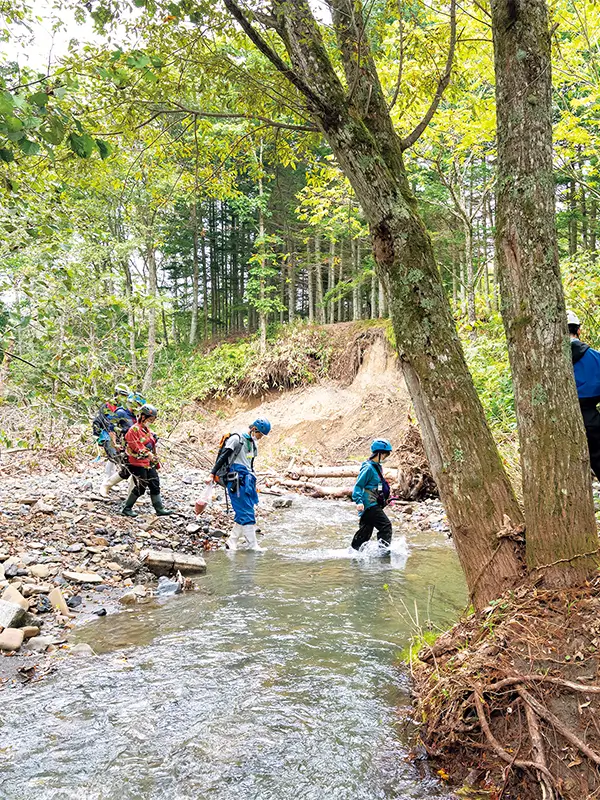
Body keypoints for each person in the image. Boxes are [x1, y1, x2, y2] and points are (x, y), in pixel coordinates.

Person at [208, 418, 271, 551]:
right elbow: (223, 457)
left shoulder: (253, 444)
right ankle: (252, 545)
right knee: (246, 511)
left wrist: (254, 482)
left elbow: (250, 465)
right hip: (235, 479)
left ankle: (232, 541)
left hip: (248, 479)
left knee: (245, 510)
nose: (260, 438)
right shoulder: (237, 439)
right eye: (260, 434)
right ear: (254, 429)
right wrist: (212, 474)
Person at [121, 403, 173, 517]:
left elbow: (149, 440)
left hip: (148, 462)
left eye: (153, 420)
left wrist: (154, 439)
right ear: (143, 417)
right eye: (150, 419)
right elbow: (136, 446)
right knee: (141, 486)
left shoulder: (146, 429)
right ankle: (126, 508)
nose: (152, 422)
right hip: (136, 462)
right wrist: (148, 453)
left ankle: (159, 509)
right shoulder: (133, 430)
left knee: (155, 482)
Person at [568, 310, 600, 481]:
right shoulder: (596, 358)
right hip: (591, 418)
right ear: (578, 330)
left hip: (556, 420)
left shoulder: (545, 360)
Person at [100, 391, 146, 497]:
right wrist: (114, 443)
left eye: (139, 405)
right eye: (136, 404)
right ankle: (106, 485)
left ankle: (131, 496)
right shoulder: (121, 412)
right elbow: (111, 428)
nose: (137, 407)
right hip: (123, 446)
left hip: (135, 447)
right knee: (130, 471)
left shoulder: (138, 417)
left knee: (134, 471)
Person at [350, 438, 393, 552]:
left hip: (374, 503)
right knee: (386, 526)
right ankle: (383, 553)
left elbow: (378, 484)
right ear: (378, 453)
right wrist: (358, 501)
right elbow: (358, 486)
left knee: (365, 533)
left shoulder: (377, 467)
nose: (385, 457)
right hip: (368, 504)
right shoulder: (368, 468)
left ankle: (354, 553)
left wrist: (383, 497)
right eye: (384, 455)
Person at [93, 383, 130, 488]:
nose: (123, 397)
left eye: (125, 396)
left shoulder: (123, 409)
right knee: (114, 456)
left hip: (117, 436)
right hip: (105, 435)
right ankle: (107, 481)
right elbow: (97, 420)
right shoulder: (107, 406)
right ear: (116, 394)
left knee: (114, 457)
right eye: (122, 395)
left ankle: (109, 479)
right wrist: (96, 434)